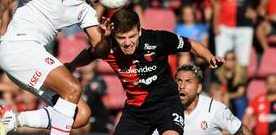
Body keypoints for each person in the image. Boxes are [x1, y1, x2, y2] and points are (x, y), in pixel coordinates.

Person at [0, 0, 118, 135]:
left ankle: (15, 120)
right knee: (73, 88)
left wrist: (106, 38)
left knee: (81, 115)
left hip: (29, 58)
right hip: (18, 47)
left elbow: (101, 50)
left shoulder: (87, 10)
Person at [66, 8, 225, 135]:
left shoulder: (158, 40)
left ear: (139, 31)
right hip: (136, 110)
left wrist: (210, 57)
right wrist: (72, 65)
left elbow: (191, 45)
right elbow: (88, 54)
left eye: (132, 36)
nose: (127, 43)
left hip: (166, 104)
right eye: (122, 38)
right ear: (115, 35)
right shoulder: (108, 48)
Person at [175, 64, 252, 135]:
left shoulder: (215, 108)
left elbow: (243, 131)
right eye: (179, 81)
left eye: (188, 81)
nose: (181, 86)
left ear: (198, 88)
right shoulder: (167, 108)